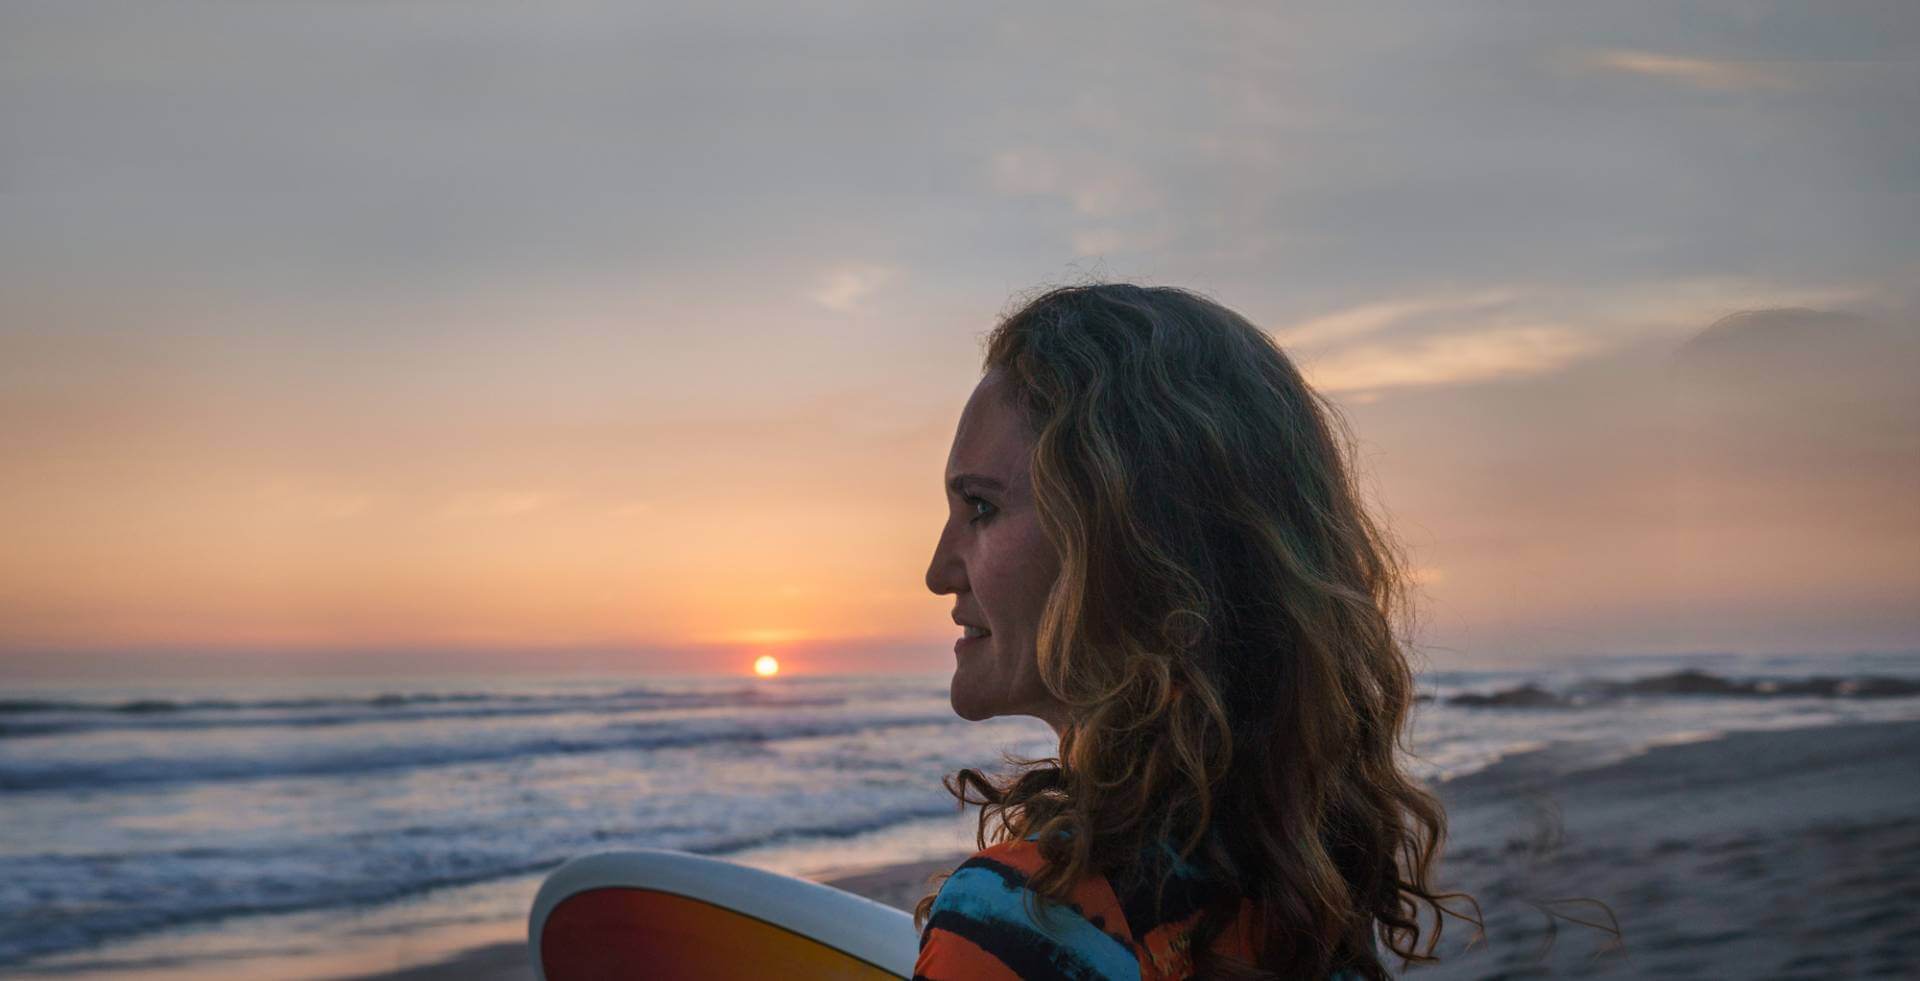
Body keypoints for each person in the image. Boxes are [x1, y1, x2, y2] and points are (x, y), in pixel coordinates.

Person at [915, 284, 1475, 980]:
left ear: (1132, 543)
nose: (940, 571)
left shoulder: (1025, 925)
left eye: (980, 505)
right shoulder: (1297, 878)